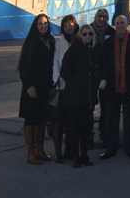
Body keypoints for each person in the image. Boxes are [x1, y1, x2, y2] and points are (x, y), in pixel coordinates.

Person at [99, 14, 130, 160]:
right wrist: (103, 79)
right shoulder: (108, 43)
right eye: (117, 23)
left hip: (129, 87)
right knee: (111, 119)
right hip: (112, 86)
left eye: (122, 23)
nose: (120, 25)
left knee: (129, 120)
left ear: (127, 25)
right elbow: (103, 63)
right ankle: (111, 148)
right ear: (114, 25)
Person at [18, 13, 55, 165]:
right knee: (31, 120)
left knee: (42, 119)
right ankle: (31, 152)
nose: (43, 26)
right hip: (32, 87)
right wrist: (28, 86)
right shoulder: (31, 42)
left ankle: (40, 149)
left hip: (45, 86)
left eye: (45, 24)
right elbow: (23, 67)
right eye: (40, 24)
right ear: (35, 25)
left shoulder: (51, 41)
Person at [60, 24, 99, 168]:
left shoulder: (91, 51)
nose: (87, 36)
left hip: (87, 97)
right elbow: (64, 71)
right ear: (79, 35)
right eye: (84, 34)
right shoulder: (73, 51)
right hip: (75, 97)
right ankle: (75, 156)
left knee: (86, 128)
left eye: (90, 34)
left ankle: (84, 155)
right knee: (75, 128)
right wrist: (75, 83)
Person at [51, 14, 79, 162]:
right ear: (63, 26)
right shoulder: (58, 41)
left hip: (74, 87)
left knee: (71, 121)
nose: (70, 26)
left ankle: (69, 150)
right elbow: (55, 62)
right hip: (61, 86)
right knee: (58, 122)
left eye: (72, 24)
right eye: (67, 24)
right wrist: (57, 80)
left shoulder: (78, 40)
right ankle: (58, 152)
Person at [92, 8, 114, 147]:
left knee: (106, 107)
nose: (102, 19)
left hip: (105, 75)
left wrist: (106, 76)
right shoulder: (89, 30)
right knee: (89, 106)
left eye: (105, 16)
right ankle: (87, 135)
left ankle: (104, 133)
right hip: (91, 74)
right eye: (100, 16)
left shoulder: (111, 32)